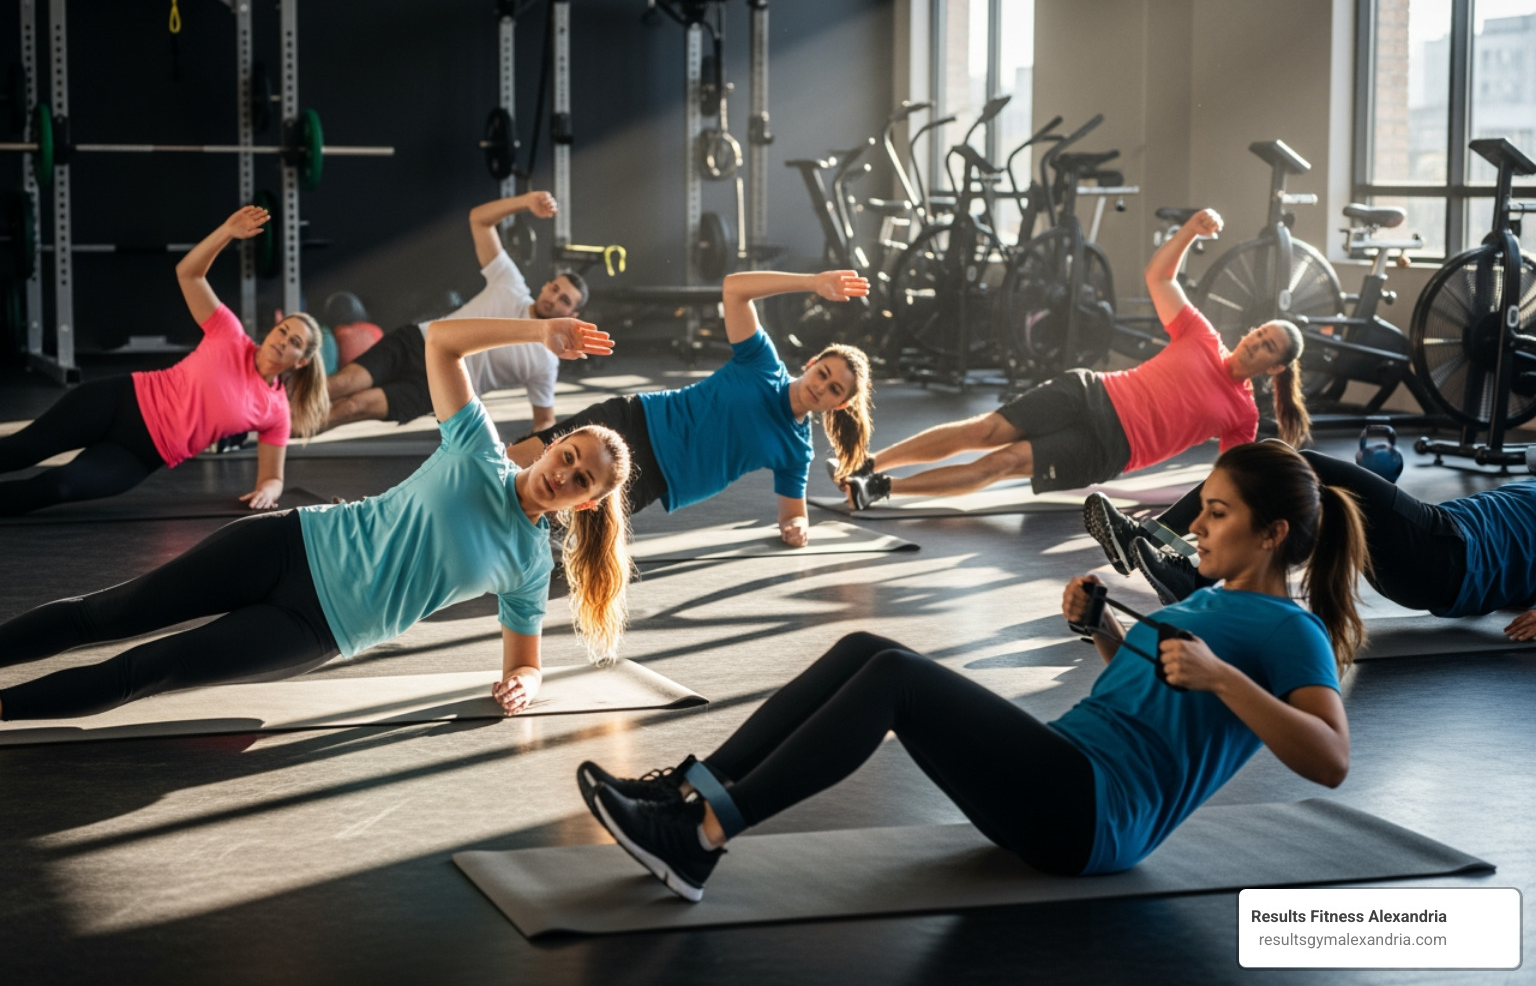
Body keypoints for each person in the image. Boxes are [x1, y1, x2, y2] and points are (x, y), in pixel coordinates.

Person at [576, 440, 1363, 901]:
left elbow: (1330, 759)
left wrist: (1225, 679)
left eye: (1218, 512)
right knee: (865, 650)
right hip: (1063, 776)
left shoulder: (1292, 631)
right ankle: (688, 795)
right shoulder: (1206, 604)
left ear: (1273, 534)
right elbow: (1155, 695)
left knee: (895, 679)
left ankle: (704, 838)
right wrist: (1100, 632)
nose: (1197, 524)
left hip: (1095, 816)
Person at [0, 314, 629, 723]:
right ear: (553, 443)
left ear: (588, 503)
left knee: (146, 670)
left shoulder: (527, 563)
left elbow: (525, 660)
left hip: (314, 627)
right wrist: (538, 331)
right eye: (568, 456)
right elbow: (441, 342)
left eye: (582, 481)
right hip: (287, 544)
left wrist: (525, 685)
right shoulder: (476, 448)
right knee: (103, 614)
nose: (565, 475)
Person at [840, 210, 1310, 509]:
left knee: (1002, 462)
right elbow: (1159, 276)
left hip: (1110, 447)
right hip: (1093, 391)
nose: (1254, 342)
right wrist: (1190, 230)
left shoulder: (1242, 416)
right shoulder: (1201, 336)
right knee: (984, 430)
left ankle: (881, 490)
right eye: (1258, 333)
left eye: (1267, 346)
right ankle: (870, 462)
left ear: (1275, 369)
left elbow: (1224, 483)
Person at [505, 269, 874, 547]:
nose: (821, 386)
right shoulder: (762, 361)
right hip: (634, 420)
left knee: (553, 524)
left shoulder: (797, 450)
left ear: (837, 404)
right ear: (811, 364)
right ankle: (464, 480)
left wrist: (797, 529)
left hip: (654, 478)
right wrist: (812, 283)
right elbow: (734, 288)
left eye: (833, 389)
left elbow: (794, 513)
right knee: (529, 457)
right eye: (823, 373)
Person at [0, 206, 326, 517]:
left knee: (58, 487)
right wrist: (227, 232)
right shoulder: (229, 334)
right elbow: (188, 274)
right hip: (118, 402)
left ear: (302, 361)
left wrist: (270, 491)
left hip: (139, 455)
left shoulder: (276, 411)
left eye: (295, 342)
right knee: (21, 449)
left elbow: (272, 478)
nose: (283, 340)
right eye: (283, 331)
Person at [1087, 448, 1536, 640]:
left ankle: (1153, 542)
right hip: (1439, 547)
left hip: (1446, 554)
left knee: (1292, 463)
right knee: (1288, 497)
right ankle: (1200, 578)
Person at [324, 191, 589, 433]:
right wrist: (525, 202)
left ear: (572, 315)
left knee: (352, 407)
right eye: (554, 288)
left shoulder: (545, 362)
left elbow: (544, 420)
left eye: (564, 300)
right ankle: (282, 407)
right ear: (545, 286)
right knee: (344, 384)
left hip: (438, 386)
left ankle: (284, 433)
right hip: (418, 343)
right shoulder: (510, 284)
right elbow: (479, 220)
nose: (554, 299)